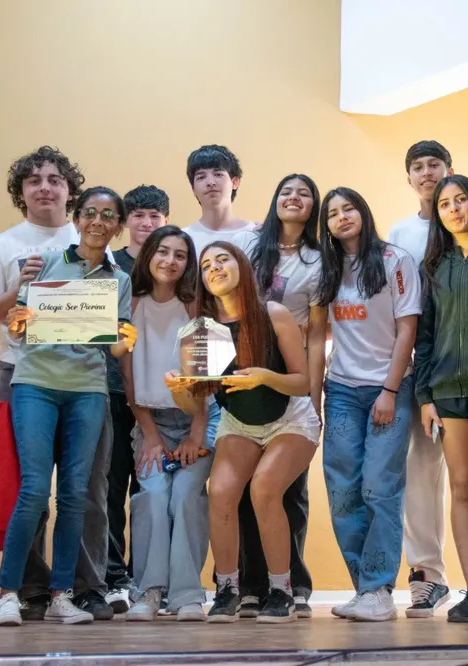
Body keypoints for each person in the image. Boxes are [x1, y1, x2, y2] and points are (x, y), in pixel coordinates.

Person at [0, 146, 114, 622]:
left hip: (84, 378)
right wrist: (18, 289)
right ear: (21, 192)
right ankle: (27, 588)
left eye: (54, 180)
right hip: (22, 374)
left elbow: (110, 318)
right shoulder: (2, 246)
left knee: (84, 490)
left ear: (71, 191)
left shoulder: (94, 239)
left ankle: (82, 589)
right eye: (33, 180)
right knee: (26, 488)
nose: (44, 187)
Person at [0, 186, 134, 626]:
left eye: (107, 215)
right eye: (89, 212)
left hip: (88, 389)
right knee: (33, 489)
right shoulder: (44, 263)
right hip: (35, 384)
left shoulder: (119, 281)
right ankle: (8, 593)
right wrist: (20, 317)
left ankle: (62, 595)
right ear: (77, 218)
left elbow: (114, 348)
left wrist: (124, 340)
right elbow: (17, 328)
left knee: (75, 493)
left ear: (117, 226)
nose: (97, 221)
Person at [388, 141, 468, 619]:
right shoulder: (418, 250)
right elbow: (422, 326)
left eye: (459, 198)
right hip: (442, 383)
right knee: (442, 481)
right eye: (417, 167)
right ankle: (447, 581)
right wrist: (423, 391)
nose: (453, 207)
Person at [166, 241, 320, 624]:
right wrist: (178, 389)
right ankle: (227, 589)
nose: (214, 268)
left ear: (242, 267)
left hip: (291, 418)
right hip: (239, 423)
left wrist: (264, 377)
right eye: (206, 266)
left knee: (264, 489)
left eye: (223, 260)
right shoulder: (201, 330)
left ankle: (282, 590)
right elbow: (194, 404)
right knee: (220, 491)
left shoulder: (273, 313)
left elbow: (302, 383)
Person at [319, 187, 420, 622]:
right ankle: (364, 589)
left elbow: (407, 329)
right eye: (332, 213)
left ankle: (379, 589)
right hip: (341, 390)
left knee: (379, 487)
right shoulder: (326, 267)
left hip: (388, 388)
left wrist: (389, 391)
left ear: (363, 211)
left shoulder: (395, 260)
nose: (342, 217)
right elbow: (319, 330)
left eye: (349, 209)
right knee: (343, 493)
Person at [229, 174, 325, 619]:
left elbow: (318, 333)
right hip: (242, 379)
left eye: (303, 193)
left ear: (313, 206)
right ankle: (250, 585)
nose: (294, 198)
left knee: (286, 492)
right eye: (286, 191)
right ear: (274, 200)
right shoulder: (248, 243)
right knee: (242, 490)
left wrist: (315, 397)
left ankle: (292, 585)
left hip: (289, 379)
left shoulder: (318, 260)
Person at [118, 226, 221, 622]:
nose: (170, 261)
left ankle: (187, 595)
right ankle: (147, 592)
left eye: (180, 255)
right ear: (149, 255)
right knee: (153, 496)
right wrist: (149, 434)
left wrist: (197, 431)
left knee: (186, 496)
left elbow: (206, 377)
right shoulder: (132, 303)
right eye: (163, 252)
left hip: (198, 416)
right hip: (150, 421)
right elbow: (129, 378)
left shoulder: (196, 306)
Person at [103, 184, 170, 613]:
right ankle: (113, 578)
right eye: (139, 215)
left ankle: (149, 581)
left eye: (154, 216)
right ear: (125, 220)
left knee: (150, 489)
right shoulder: (110, 266)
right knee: (111, 484)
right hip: (112, 388)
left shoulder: (172, 264)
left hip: (160, 396)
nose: (146, 223)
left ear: (166, 221)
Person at [183, 145, 256, 254]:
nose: (210, 182)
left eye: (218, 174)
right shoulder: (184, 239)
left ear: (235, 182)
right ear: (193, 189)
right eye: (201, 177)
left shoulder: (256, 235)